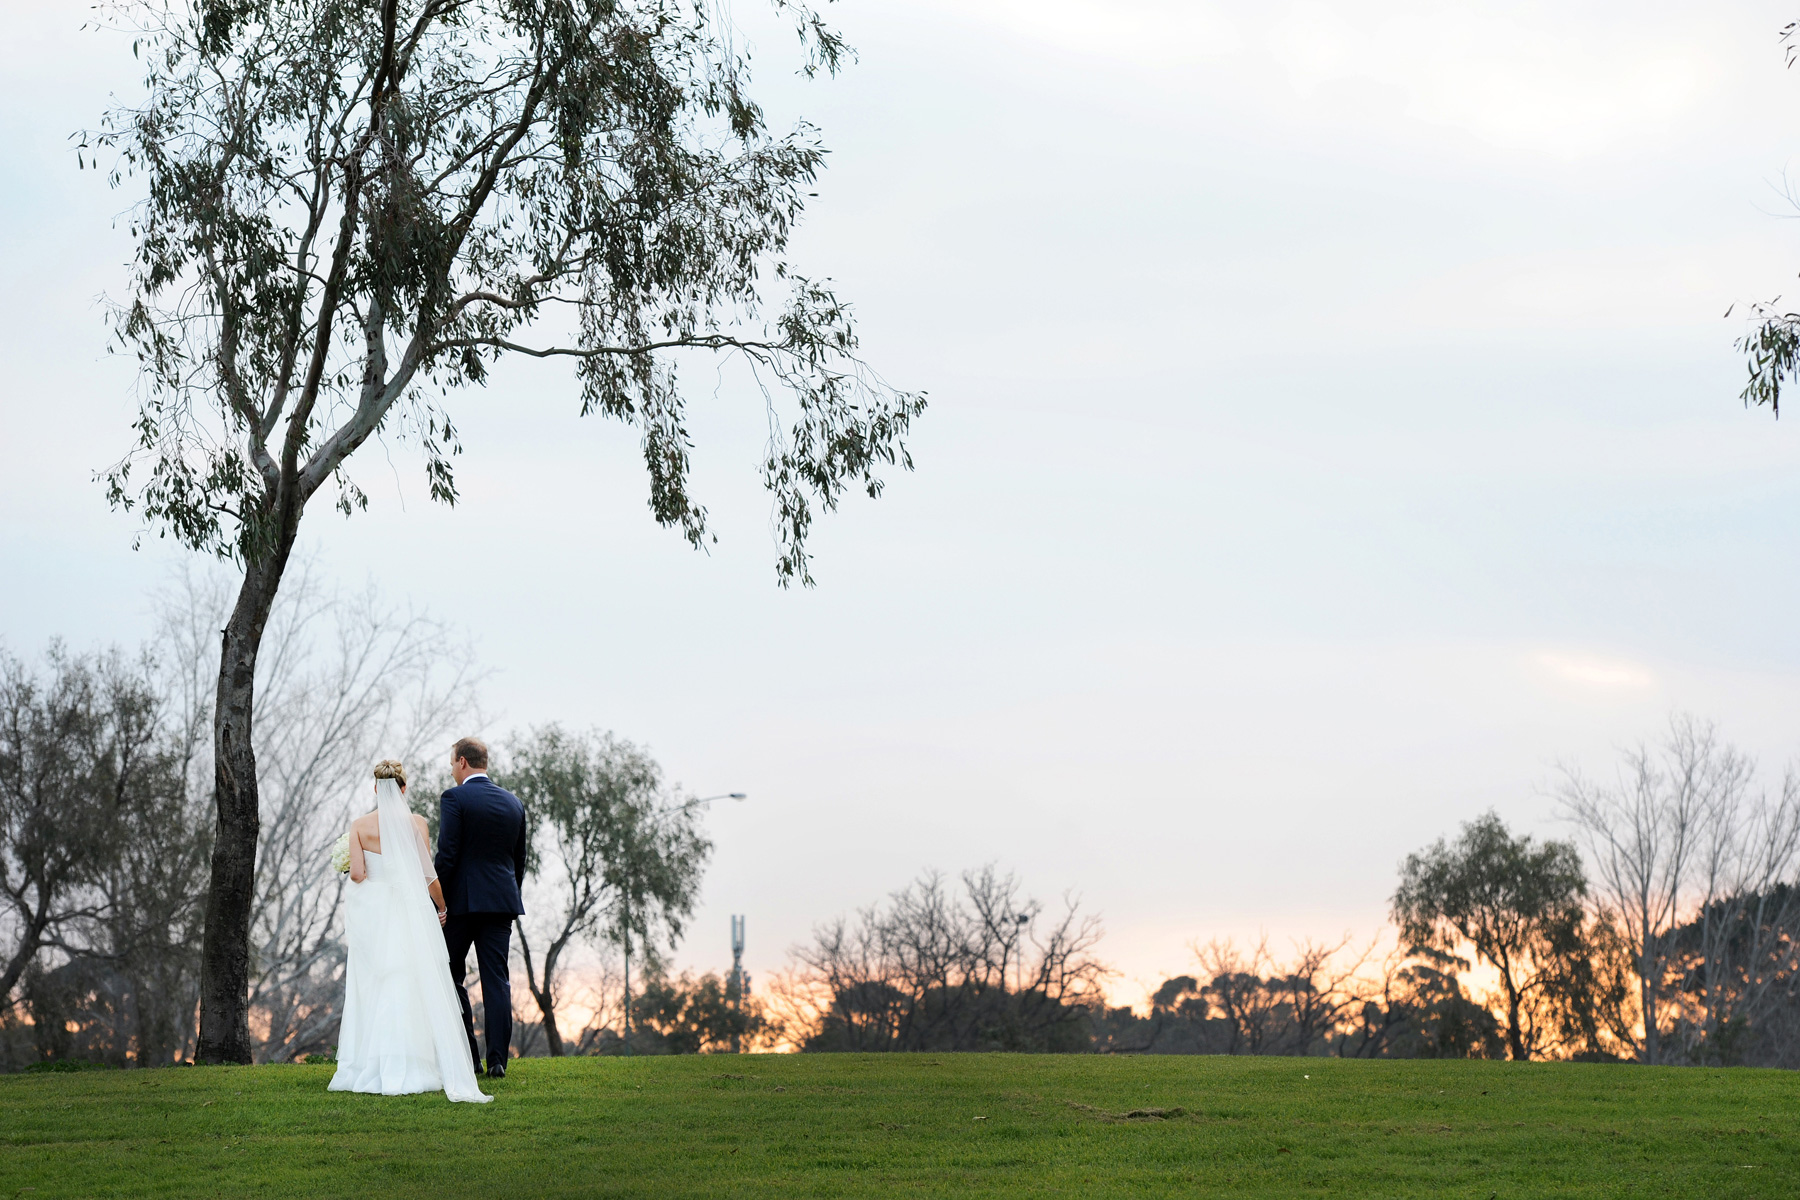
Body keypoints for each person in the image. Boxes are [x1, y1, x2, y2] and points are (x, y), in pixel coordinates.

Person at [329, 760, 491, 1103]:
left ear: (376, 789)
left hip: (374, 915)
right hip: (409, 913)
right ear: (403, 789)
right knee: (413, 982)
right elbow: (427, 873)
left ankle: (373, 1063)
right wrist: (442, 907)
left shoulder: (359, 825)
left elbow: (357, 875)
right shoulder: (417, 823)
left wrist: (354, 863)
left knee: (376, 982)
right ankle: (416, 1062)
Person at [435, 736, 528, 1078]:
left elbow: (447, 855)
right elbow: (519, 860)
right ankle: (498, 1060)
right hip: (501, 904)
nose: (451, 773)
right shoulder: (514, 803)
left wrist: (437, 900)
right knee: (497, 980)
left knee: (450, 975)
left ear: (462, 762)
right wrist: (506, 894)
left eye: (451, 765)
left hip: (460, 905)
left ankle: (470, 1057)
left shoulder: (455, 798)